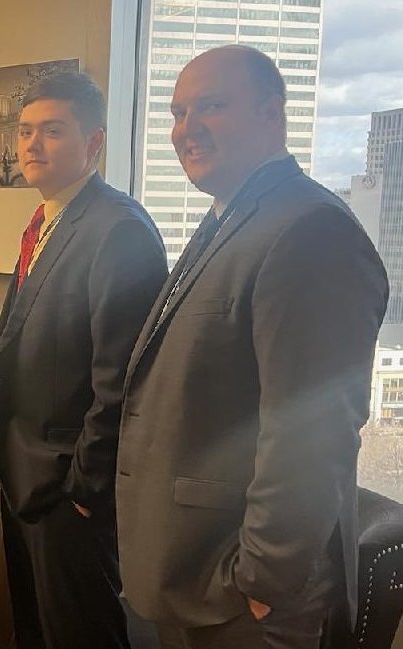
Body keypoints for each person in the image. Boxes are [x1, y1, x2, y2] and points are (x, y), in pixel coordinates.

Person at [116, 45, 388, 649]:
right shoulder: (231, 218)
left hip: (244, 598)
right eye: (178, 113)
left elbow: (312, 430)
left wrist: (262, 579)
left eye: (211, 106)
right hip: (191, 573)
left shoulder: (310, 229)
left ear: (272, 113)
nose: (187, 129)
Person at [0, 71, 168, 649]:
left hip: (68, 491)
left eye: (53, 130)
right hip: (26, 480)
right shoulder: (46, 221)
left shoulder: (119, 230)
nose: (32, 145)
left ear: (94, 142)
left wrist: (85, 490)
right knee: (36, 633)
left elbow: (124, 381)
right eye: (25, 131)